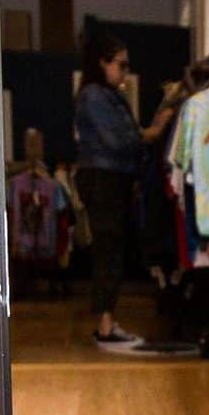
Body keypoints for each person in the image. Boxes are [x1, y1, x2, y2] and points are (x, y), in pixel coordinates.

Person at [74, 32, 173, 349]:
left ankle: (107, 322)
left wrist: (152, 128)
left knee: (111, 251)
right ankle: (105, 327)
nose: (125, 71)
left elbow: (127, 135)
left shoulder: (105, 95)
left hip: (109, 179)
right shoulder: (94, 95)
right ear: (102, 63)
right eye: (121, 64)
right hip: (104, 179)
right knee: (109, 252)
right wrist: (154, 131)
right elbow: (120, 140)